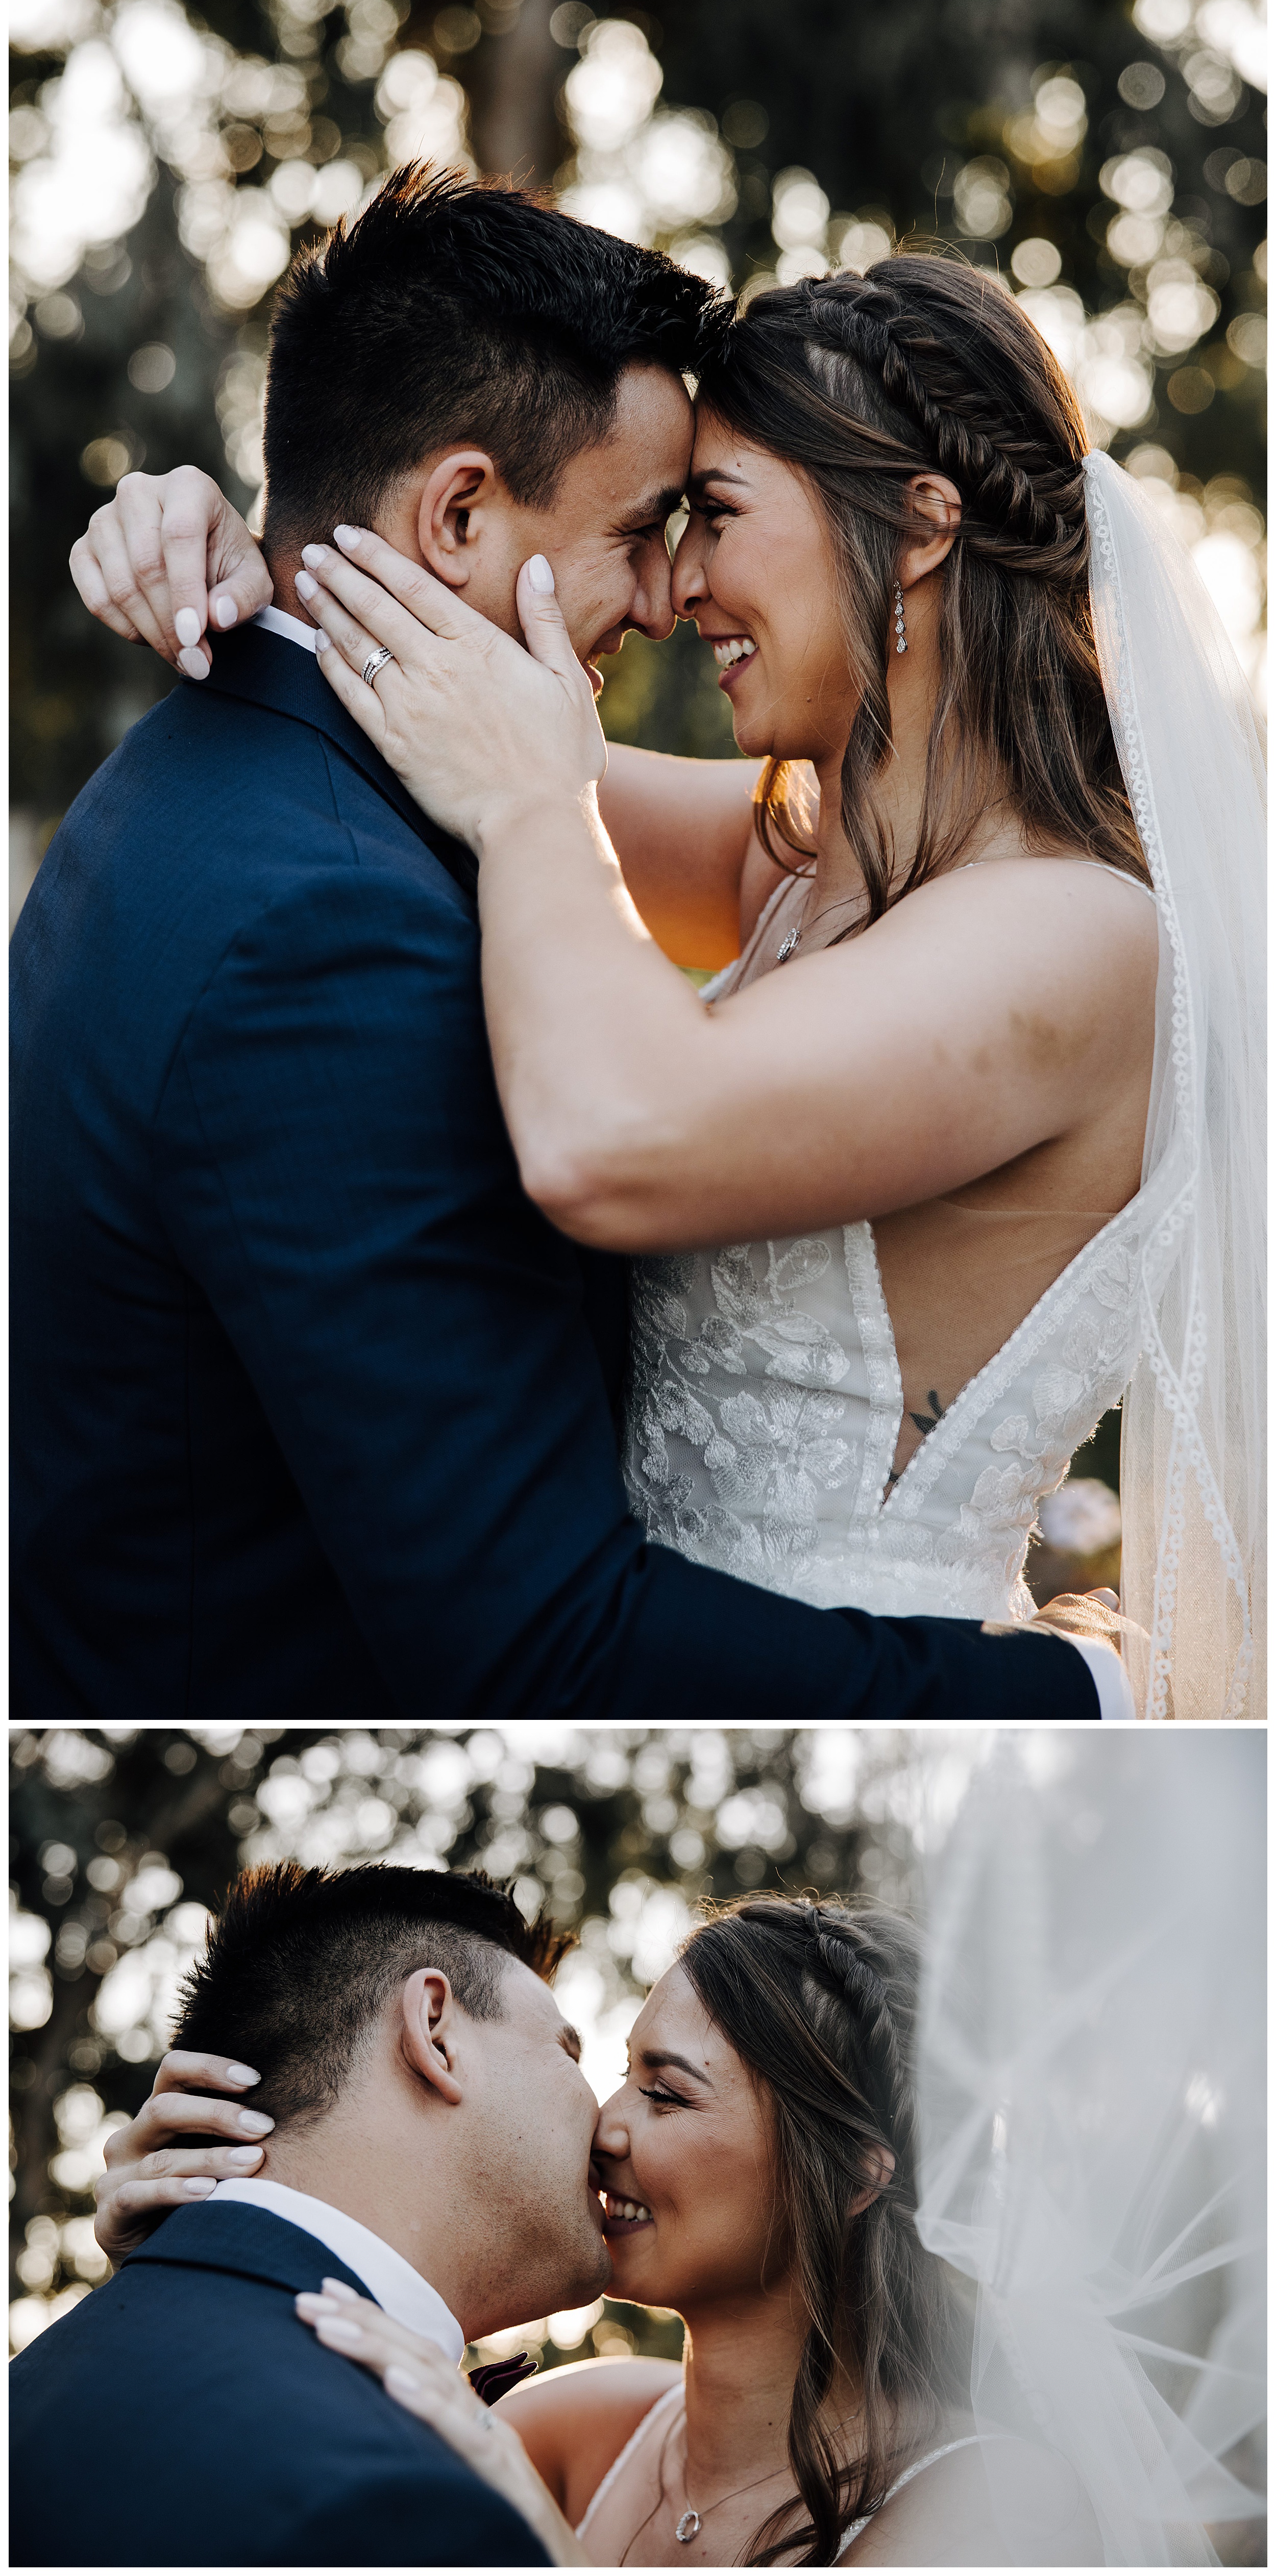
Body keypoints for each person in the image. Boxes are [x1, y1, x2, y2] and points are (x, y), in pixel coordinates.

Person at [15, 166, 1122, 1717]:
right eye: (657, 525)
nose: (670, 593)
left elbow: (518, 783)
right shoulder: (795, 863)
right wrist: (239, 549)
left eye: (709, 519)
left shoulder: (1063, 930)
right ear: (460, 507)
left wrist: (301, 583)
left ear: (919, 533)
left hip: (832, 1669)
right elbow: (446, 720)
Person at [82, 1758, 1265, 2567]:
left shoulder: (997, 2504)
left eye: (664, 2091)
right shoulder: (575, 2424)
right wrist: (215, 2227)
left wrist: (523, 2534)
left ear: (856, 2170)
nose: (604, 2125)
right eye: (614, 2075)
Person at [9, 1861, 600, 2567]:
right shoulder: (407, 2509)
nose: (612, 2119)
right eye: (570, 2051)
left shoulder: (35, 2380)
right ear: (436, 2030)